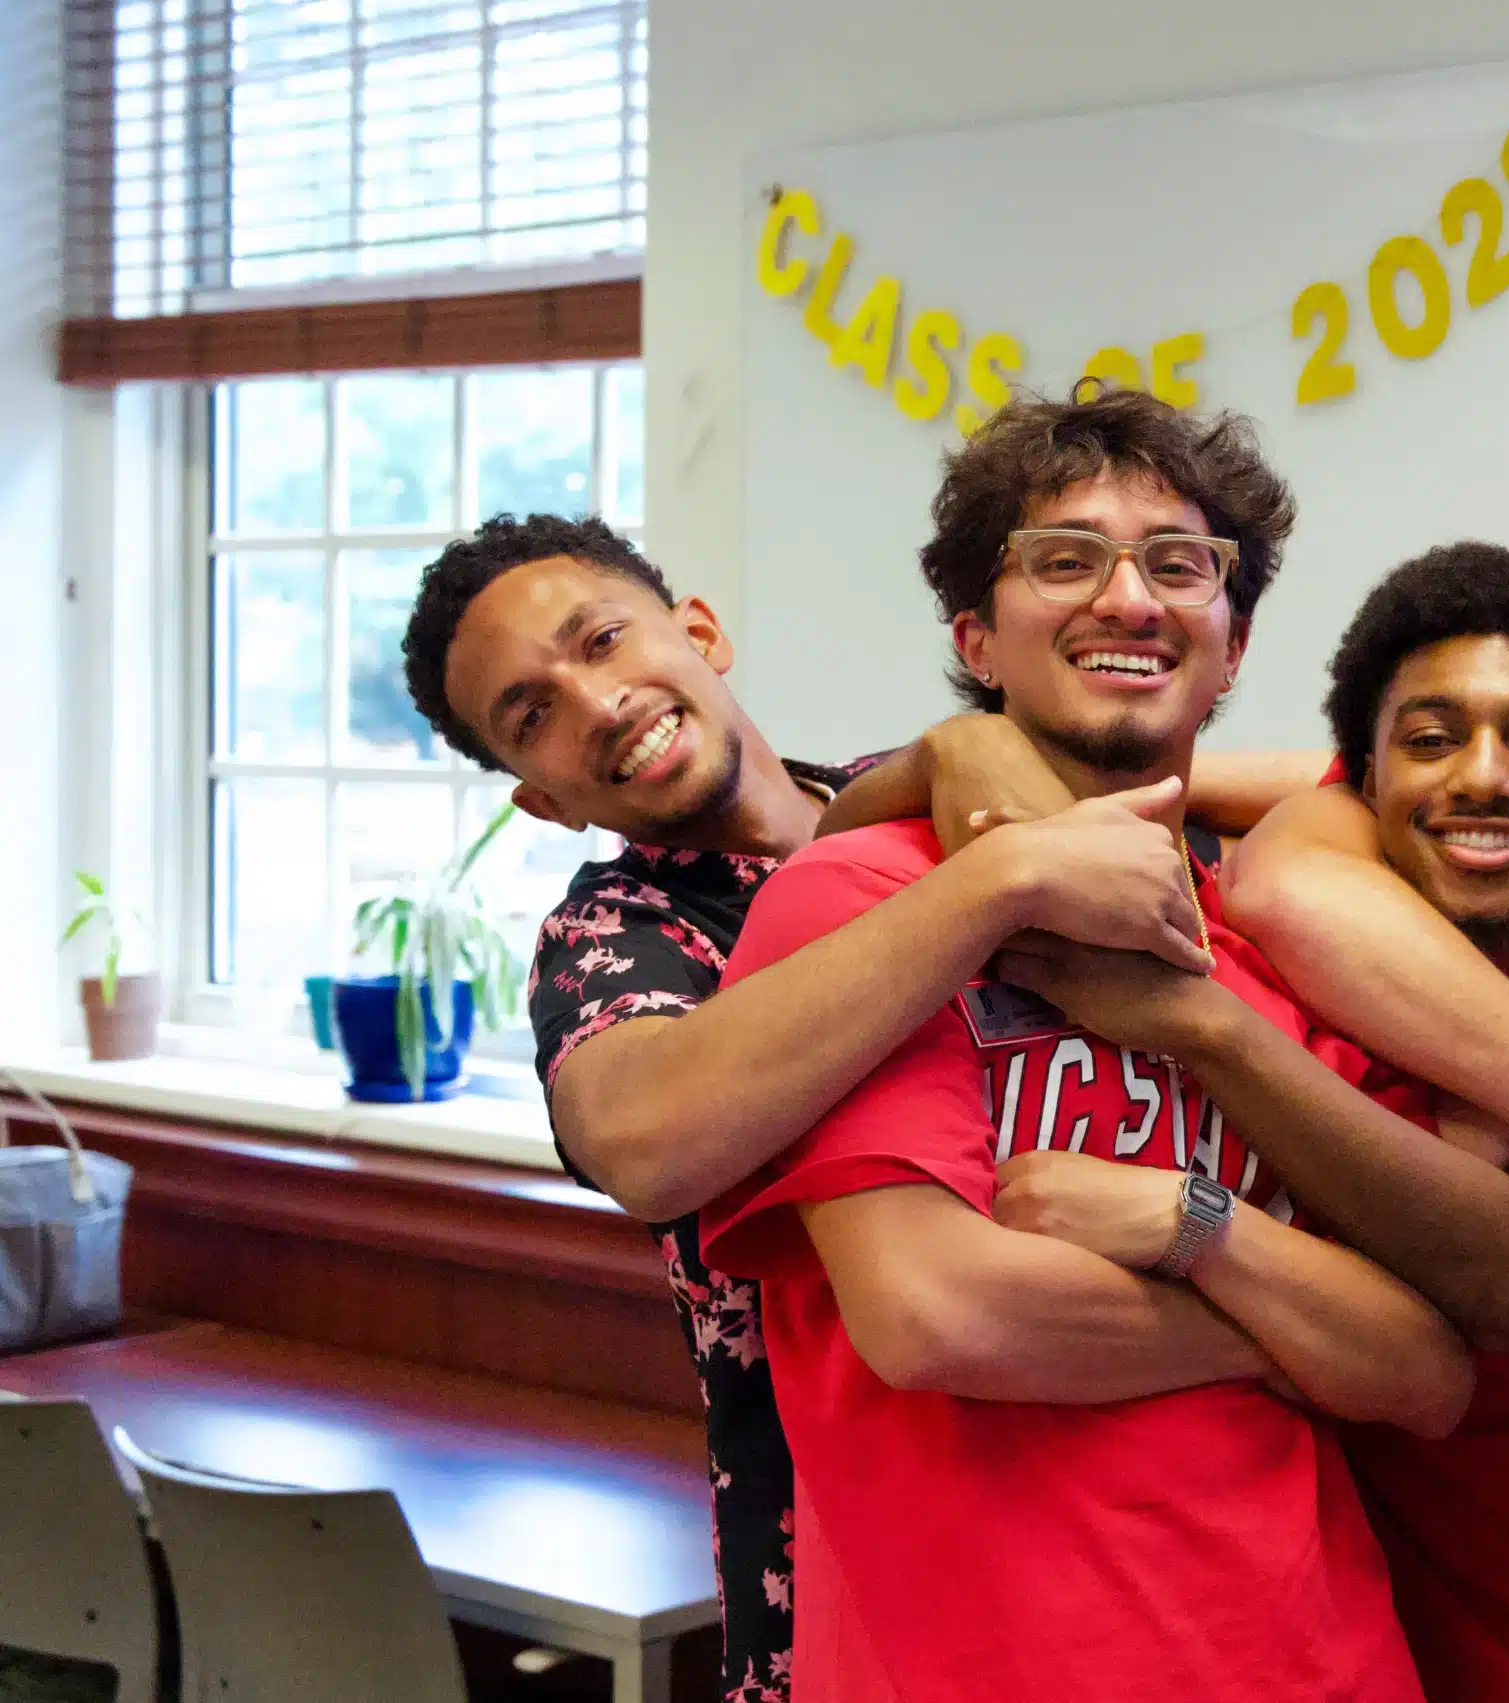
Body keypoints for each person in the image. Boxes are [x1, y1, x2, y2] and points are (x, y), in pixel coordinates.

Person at [696, 388, 1470, 1703]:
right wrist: (1288, 1329)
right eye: (1064, 559)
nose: (1129, 598)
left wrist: (1194, 1220)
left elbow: (1428, 1366)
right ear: (976, 639)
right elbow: (939, 1312)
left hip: (1323, 1663)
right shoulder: (866, 905)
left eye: (1181, 564)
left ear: (1230, 648)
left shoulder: (1291, 944)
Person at [400, 512, 1209, 1701]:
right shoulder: (616, 937)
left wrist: (951, 758)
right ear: (543, 802)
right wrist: (999, 880)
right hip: (863, 1590)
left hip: (1143, 1524)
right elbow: (645, 1140)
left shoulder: (932, 798)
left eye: (605, 639)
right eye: (534, 713)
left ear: (701, 632)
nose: (599, 702)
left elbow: (1275, 797)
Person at [1001, 540, 1509, 1701]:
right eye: (1430, 740)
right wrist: (961, 738)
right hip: (1343, 1658)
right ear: (1358, 787)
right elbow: (999, 805)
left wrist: (1210, 1039)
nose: (1483, 777)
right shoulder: (1283, 976)